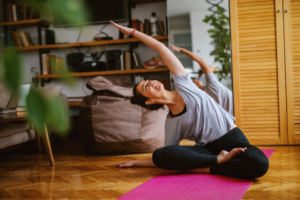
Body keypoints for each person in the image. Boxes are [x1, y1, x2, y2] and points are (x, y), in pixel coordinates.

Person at [110, 21, 269, 180]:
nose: (150, 82)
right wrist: (136, 162)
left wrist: (132, 32)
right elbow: (169, 156)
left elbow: (161, 48)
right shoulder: (171, 123)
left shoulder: (183, 84)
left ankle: (205, 168)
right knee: (160, 154)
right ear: (150, 101)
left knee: (260, 164)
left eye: (147, 80)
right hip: (207, 151)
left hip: (233, 139)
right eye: (146, 87)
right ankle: (217, 161)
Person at [169, 44, 233, 115]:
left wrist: (182, 50)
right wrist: (182, 50)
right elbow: (200, 61)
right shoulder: (211, 87)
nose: (194, 81)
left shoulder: (205, 95)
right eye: (192, 81)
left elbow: (200, 61)